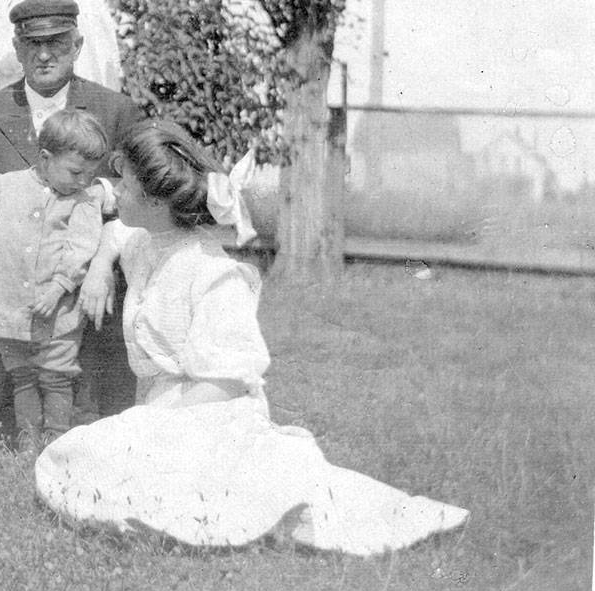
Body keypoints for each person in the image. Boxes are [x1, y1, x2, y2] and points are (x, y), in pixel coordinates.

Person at [35, 121, 469, 555]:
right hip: (164, 411)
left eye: (124, 184)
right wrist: (97, 271)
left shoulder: (211, 272)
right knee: (73, 457)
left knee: (159, 482)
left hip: (212, 414)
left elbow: (225, 381)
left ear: (153, 201)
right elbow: (115, 233)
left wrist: (155, 428)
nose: (113, 191)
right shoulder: (148, 240)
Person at [0, 0, 154, 441]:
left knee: (106, 273)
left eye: (57, 42)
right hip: (6, 257)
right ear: (16, 48)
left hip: (86, 248)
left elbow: (145, 189)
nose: (45, 54)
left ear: (77, 45)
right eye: (33, 45)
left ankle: (98, 415)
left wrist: (103, 218)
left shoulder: (116, 111)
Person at [0, 109, 107, 453]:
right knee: (23, 376)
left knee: (56, 375)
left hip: (57, 309)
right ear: (45, 158)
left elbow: (81, 247)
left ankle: (57, 443)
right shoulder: (6, 186)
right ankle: (28, 443)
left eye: (90, 175)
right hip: (11, 307)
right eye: (76, 172)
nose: (82, 182)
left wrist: (59, 288)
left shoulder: (82, 200)